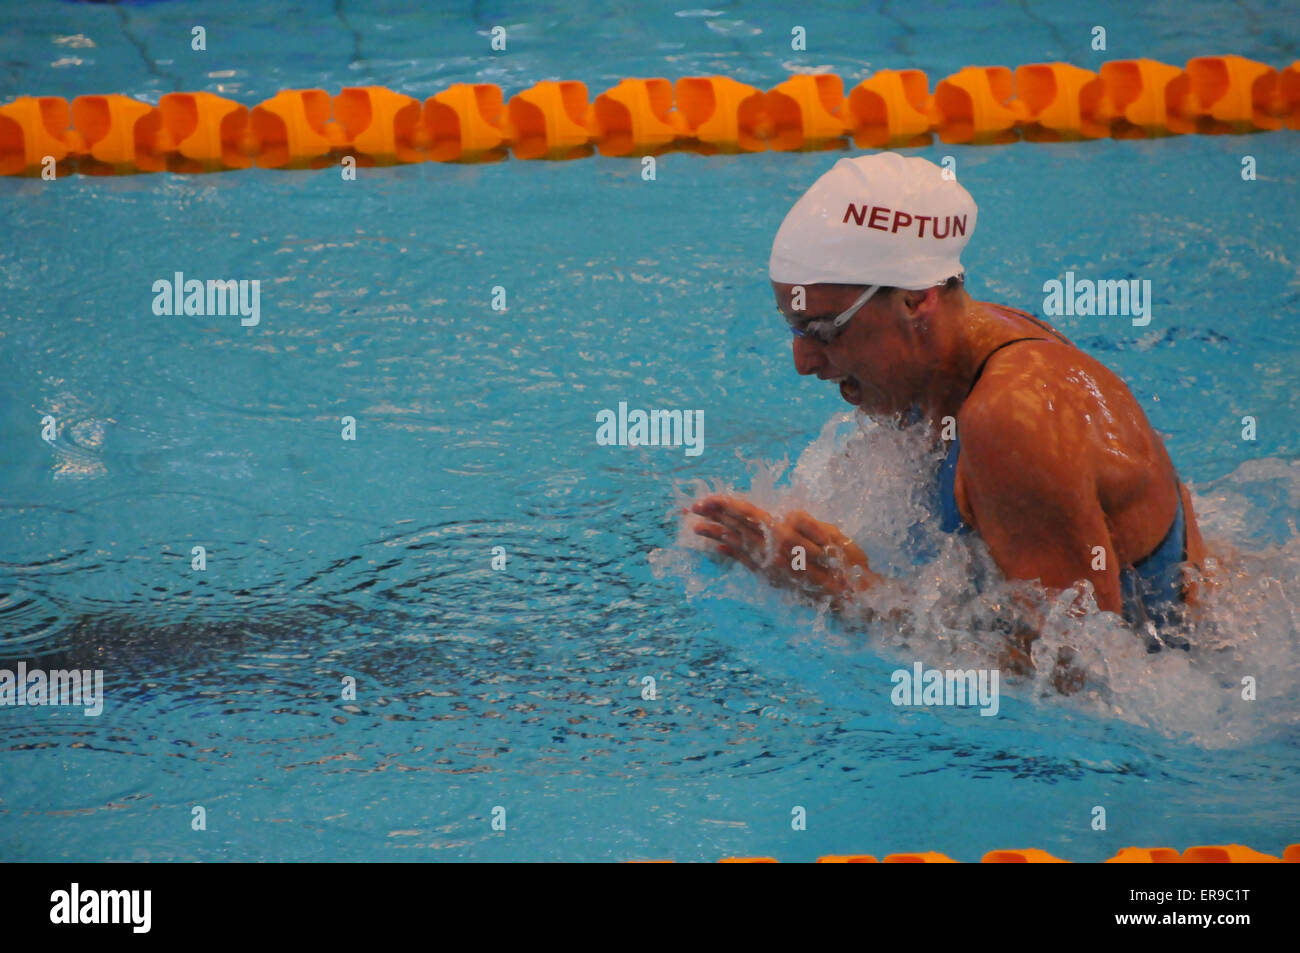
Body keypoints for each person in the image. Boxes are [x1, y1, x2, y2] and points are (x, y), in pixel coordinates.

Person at [689, 153, 1207, 674]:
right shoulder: (945, 355)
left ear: (917, 301)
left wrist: (854, 598)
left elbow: (1083, 672)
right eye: (793, 328)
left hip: (1188, 688)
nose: (803, 362)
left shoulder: (1012, 416)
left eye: (824, 331)